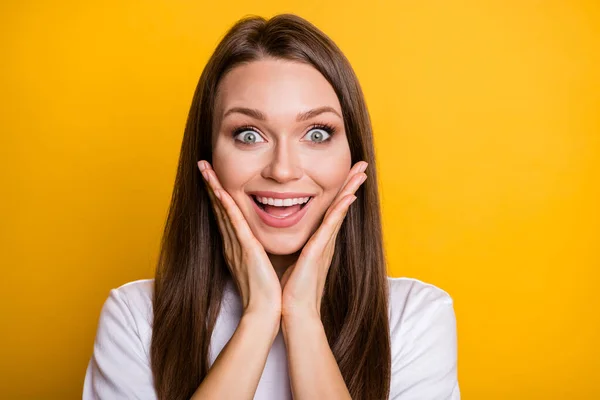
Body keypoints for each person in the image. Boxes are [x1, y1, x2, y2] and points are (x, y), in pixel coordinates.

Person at [83, 13, 459, 400]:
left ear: (354, 155)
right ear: (207, 156)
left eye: (316, 133)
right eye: (249, 134)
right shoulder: (136, 318)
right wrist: (258, 318)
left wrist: (302, 318)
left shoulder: (414, 318)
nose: (282, 170)